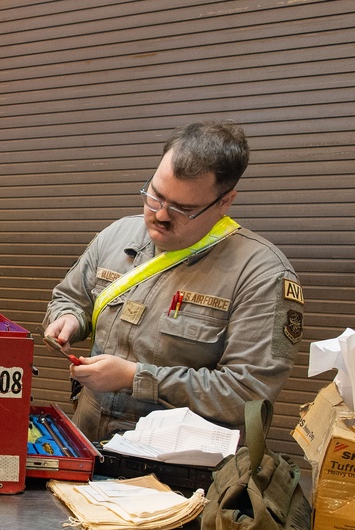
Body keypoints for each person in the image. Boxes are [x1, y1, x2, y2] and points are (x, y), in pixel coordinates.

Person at [43, 120, 303, 442]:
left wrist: (134, 377)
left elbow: (247, 394)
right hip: (89, 442)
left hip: (183, 471)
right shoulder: (116, 236)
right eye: (156, 195)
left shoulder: (262, 275)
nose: (161, 215)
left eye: (183, 208)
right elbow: (69, 298)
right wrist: (68, 319)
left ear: (225, 202)